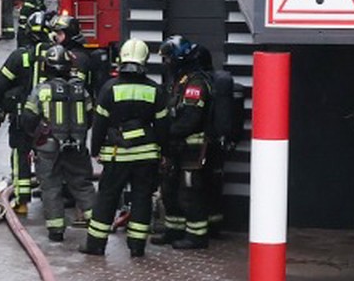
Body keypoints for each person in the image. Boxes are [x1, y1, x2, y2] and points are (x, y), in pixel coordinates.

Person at [82, 39, 168, 258]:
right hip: (147, 155)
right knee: (141, 198)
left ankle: (96, 244)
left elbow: (99, 123)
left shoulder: (109, 88)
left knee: (107, 198)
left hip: (117, 154)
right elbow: (162, 127)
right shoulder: (154, 90)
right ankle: (137, 246)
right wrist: (164, 152)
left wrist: (95, 150)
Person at [21, 44, 94, 242]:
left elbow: (27, 118)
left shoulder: (42, 90)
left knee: (51, 187)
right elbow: (90, 117)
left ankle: (56, 230)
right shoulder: (81, 90)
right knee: (82, 184)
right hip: (77, 146)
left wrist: (34, 136)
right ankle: (97, 226)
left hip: (48, 148)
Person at [159, 34, 220, 250]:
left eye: (168, 58)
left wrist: (167, 133)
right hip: (177, 146)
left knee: (190, 191)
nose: (166, 63)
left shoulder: (196, 82)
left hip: (193, 148)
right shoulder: (179, 80)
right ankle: (173, 229)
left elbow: (191, 119)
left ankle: (197, 236)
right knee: (169, 188)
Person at [0, 9, 47, 215]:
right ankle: (52, 197)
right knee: (51, 156)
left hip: (22, 115)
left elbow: (1, 86)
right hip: (51, 118)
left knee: (21, 153)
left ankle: (22, 201)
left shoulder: (19, 56)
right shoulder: (57, 54)